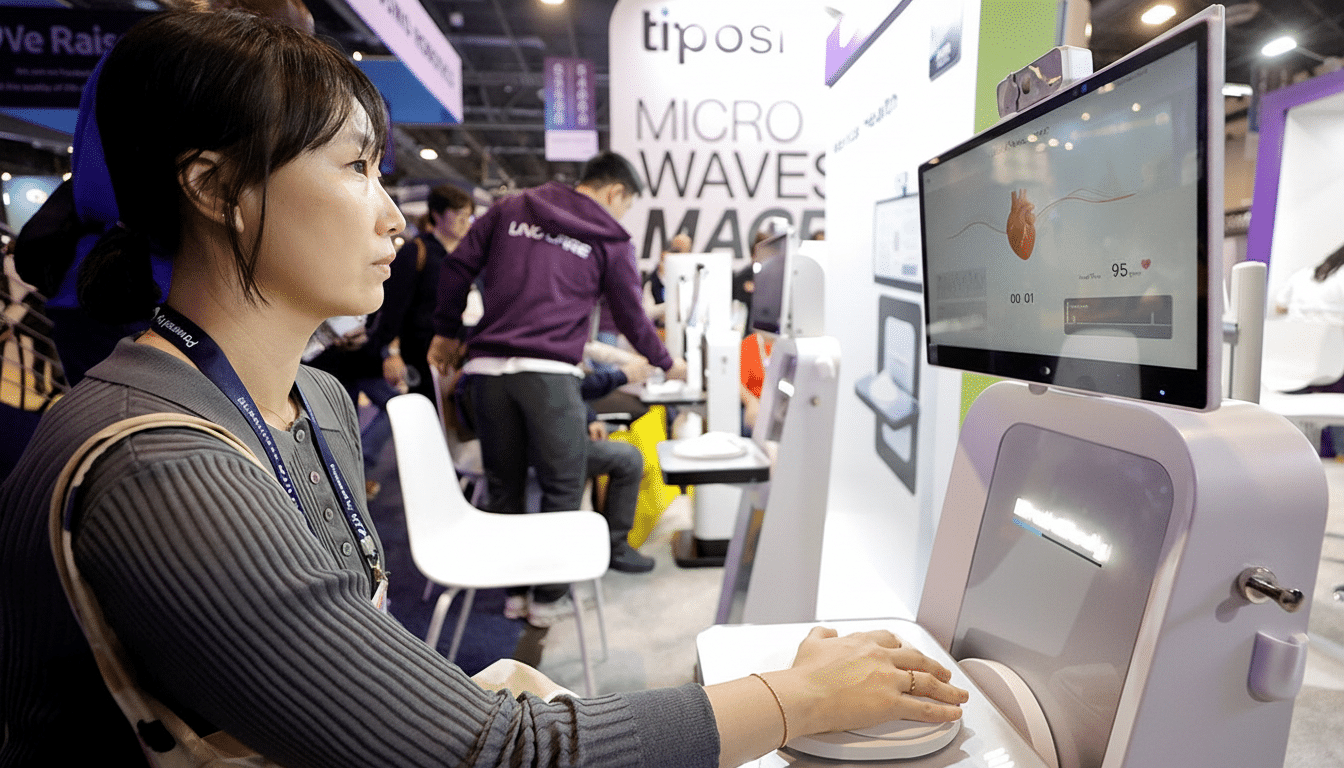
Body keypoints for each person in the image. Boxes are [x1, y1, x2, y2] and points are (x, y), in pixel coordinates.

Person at [0, 11, 968, 768]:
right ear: (214, 188)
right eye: (355, 168)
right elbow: (480, 753)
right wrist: (797, 698)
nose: (391, 218)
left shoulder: (318, 402)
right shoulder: (161, 464)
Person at [425, 151, 690, 622]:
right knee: (562, 485)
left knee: (505, 490)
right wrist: (668, 363)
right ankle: (549, 600)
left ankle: (515, 596)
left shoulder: (511, 208)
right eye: (625, 205)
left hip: (486, 376)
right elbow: (631, 314)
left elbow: (456, 266)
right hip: (549, 377)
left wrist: (446, 329)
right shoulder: (610, 237)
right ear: (615, 193)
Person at [1273, 242, 1344, 325]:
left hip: (1291, 331)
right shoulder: (1340, 277)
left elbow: (1280, 308)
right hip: (1333, 333)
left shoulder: (1301, 274)